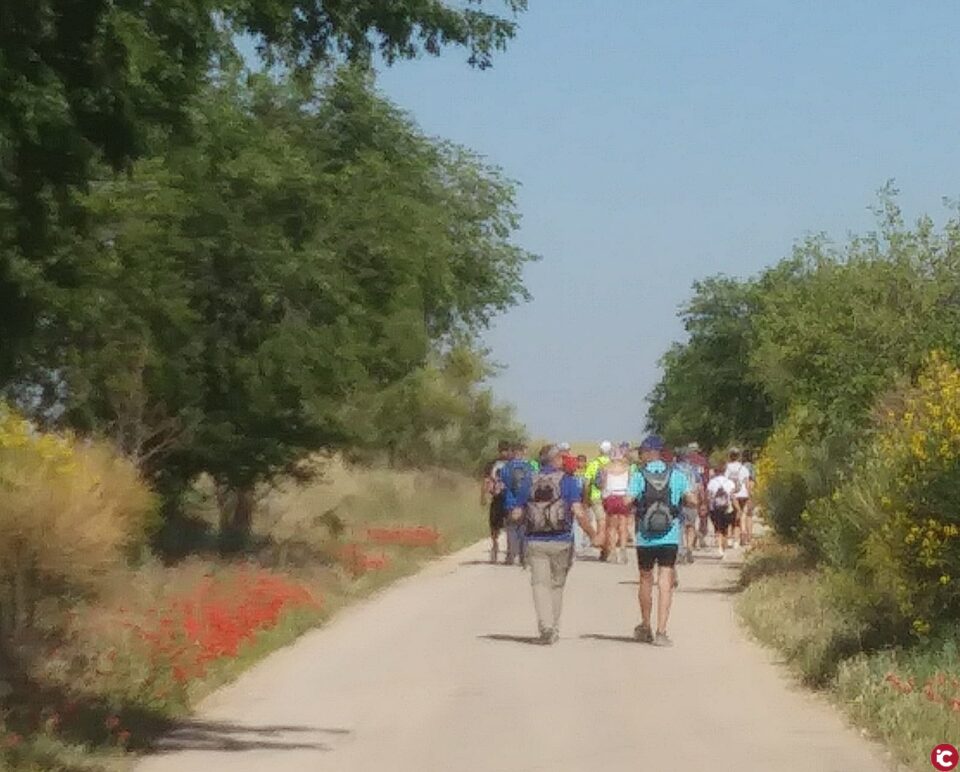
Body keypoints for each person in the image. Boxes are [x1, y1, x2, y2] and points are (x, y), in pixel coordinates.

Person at [512, 445, 599, 644]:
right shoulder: (568, 481)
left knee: (540, 585)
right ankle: (554, 628)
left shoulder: (528, 481)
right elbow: (577, 511)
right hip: (562, 541)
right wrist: (592, 534)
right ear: (556, 460)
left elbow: (517, 513)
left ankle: (546, 627)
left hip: (535, 541)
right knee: (557, 586)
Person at [625, 434, 694, 647]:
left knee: (645, 579)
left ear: (648, 453)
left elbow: (627, 501)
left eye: (642, 452)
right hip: (670, 535)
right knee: (666, 581)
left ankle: (645, 626)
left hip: (645, 536)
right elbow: (693, 499)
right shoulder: (677, 474)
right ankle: (661, 631)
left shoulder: (638, 475)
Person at [500, 443, 533, 566]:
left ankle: (510, 556)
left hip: (510, 502)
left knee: (511, 529)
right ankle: (524, 556)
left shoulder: (506, 467)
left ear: (513, 453)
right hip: (525, 502)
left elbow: (502, 484)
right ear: (522, 453)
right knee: (524, 529)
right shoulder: (529, 467)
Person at [598, 446, 632, 564]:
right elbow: (629, 484)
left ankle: (612, 552)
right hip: (623, 497)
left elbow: (603, 484)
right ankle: (623, 550)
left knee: (611, 526)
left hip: (611, 497)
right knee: (623, 526)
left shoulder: (606, 468)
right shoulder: (627, 468)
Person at [481, 440, 512, 563]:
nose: (504, 452)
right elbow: (486, 480)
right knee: (494, 524)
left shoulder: (512, 464)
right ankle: (495, 544)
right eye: (502, 450)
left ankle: (510, 549)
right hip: (497, 497)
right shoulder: (492, 464)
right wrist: (483, 495)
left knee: (510, 524)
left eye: (506, 450)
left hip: (509, 497)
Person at [583, 441, 613, 559]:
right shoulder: (614, 464)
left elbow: (586, 483)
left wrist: (586, 498)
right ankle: (608, 549)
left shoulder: (593, 464)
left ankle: (601, 543)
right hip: (611, 497)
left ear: (600, 451)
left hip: (596, 496)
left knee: (601, 521)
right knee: (610, 524)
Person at [675, 447, 704, 564]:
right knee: (691, 526)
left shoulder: (674, 469)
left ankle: (680, 552)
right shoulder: (693, 469)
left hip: (678, 501)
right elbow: (700, 486)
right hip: (692, 499)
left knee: (679, 527)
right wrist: (701, 501)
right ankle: (690, 550)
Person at [724, 448, 752, 549]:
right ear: (739, 456)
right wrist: (749, 496)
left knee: (731, 516)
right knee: (740, 517)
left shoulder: (727, 468)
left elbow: (725, 481)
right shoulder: (744, 468)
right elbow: (747, 483)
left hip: (732, 495)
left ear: (730, 456)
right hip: (743, 494)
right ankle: (737, 540)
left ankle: (731, 539)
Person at [706, 467, 737, 559]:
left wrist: (707, 506)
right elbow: (732, 497)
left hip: (714, 509)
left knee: (718, 529)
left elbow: (708, 496)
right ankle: (724, 550)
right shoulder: (730, 482)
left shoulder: (712, 482)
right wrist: (738, 509)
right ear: (725, 472)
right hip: (727, 509)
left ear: (715, 472)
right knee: (725, 530)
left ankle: (719, 548)